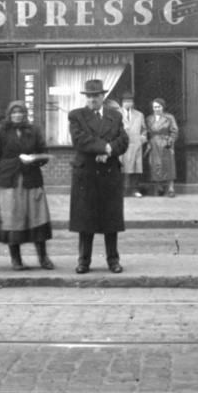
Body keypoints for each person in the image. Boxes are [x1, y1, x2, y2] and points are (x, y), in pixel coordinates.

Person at [68, 78, 128, 273]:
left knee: (111, 220)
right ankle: (84, 261)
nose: (93, 99)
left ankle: (113, 261)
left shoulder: (115, 116)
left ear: (103, 96)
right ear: (86, 98)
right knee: (86, 220)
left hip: (109, 173)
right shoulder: (76, 115)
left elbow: (124, 141)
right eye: (89, 96)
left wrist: (110, 151)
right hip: (86, 174)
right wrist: (104, 147)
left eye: (96, 96)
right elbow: (80, 140)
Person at [0, 101, 53, 270]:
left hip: (31, 180)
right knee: (12, 220)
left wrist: (34, 158)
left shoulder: (34, 130)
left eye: (20, 112)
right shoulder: (1, 131)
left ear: (25, 114)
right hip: (8, 181)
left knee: (38, 217)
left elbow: (44, 154)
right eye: (14, 112)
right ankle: (16, 260)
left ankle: (43, 258)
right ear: (9, 114)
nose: (17, 115)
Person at [146, 98, 179, 197]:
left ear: (163, 107)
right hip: (154, 144)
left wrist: (170, 142)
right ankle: (159, 188)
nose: (157, 109)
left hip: (166, 144)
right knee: (155, 166)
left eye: (159, 107)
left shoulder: (169, 117)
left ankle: (171, 189)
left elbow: (174, 130)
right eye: (155, 107)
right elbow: (147, 131)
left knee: (168, 166)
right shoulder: (149, 119)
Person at [118, 92, 147, 197]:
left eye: (129, 101)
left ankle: (135, 190)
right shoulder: (116, 113)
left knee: (135, 168)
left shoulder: (139, 115)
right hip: (121, 144)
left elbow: (144, 129)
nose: (127, 104)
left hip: (135, 144)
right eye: (125, 101)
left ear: (133, 103)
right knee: (121, 167)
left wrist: (142, 137)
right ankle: (121, 190)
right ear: (122, 103)